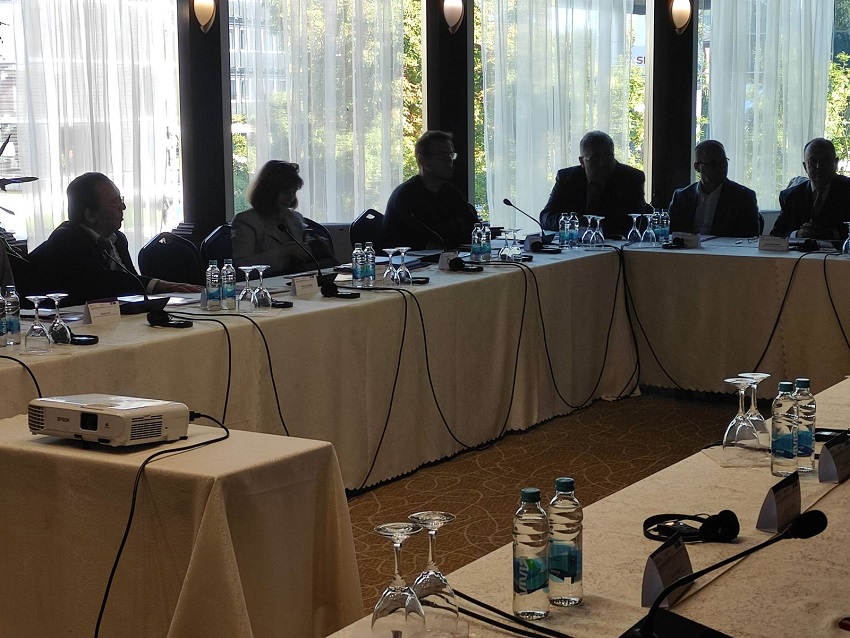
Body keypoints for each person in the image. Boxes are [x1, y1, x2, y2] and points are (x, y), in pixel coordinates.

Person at [28, 172, 202, 306]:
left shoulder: (117, 238)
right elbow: (103, 284)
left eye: (121, 200)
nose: (123, 207)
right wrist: (158, 285)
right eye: (115, 203)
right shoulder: (66, 240)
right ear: (90, 214)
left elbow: (130, 280)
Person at [232, 160, 338, 276]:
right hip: (263, 284)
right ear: (268, 191)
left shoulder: (295, 218)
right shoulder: (245, 221)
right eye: (286, 192)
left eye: (294, 192)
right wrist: (285, 251)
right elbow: (240, 268)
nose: (291, 198)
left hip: (297, 282)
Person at [539, 130, 647, 239]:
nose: (602, 163)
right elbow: (545, 217)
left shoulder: (631, 178)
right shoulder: (567, 178)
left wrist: (593, 223)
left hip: (614, 244)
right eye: (595, 159)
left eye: (608, 157)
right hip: (574, 245)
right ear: (582, 161)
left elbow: (638, 221)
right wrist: (570, 221)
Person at [382, 130, 478, 250]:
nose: (450, 161)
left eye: (451, 155)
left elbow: (473, 228)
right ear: (422, 160)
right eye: (443, 155)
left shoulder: (451, 193)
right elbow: (434, 234)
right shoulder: (407, 195)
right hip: (411, 260)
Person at [668, 140, 760, 237]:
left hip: (725, 247)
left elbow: (750, 238)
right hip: (687, 246)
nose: (721, 167)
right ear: (697, 167)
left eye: (723, 161)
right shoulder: (682, 197)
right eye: (713, 163)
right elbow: (670, 234)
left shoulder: (743, 197)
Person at [771, 137, 850, 240]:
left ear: (835, 163)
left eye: (825, 160)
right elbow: (776, 234)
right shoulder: (790, 197)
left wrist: (832, 234)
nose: (818, 166)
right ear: (805, 167)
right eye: (812, 161)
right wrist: (798, 234)